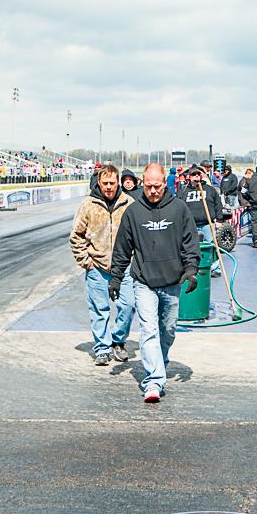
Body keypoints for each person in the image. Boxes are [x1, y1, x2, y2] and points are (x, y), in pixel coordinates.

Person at [108, 164, 198, 403]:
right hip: (144, 282)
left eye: (157, 186)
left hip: (171, 281)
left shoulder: (179, 209)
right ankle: (154, 381)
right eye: (148, 186)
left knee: (168, 330)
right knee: (149, 330)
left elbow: (190, 242)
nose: (153, 190)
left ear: (164, 183)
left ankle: (160, 361)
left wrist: (191, 270)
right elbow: (122, 248)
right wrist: (116, 278)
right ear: (143, 183)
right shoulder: (133, 212)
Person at [70, 164, 136, 366]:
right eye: (105, 183)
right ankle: (102, 348)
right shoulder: (88, 204)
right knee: (99, 310)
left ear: (118, 183)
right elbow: (76, 236)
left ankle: (118, 341)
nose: (108, 187)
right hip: (97, 267)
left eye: (112, 183)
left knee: (128, 305)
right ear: (99, 182)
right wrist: (86, 261)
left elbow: (137, 234)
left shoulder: (129, 203)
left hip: (123, 268)